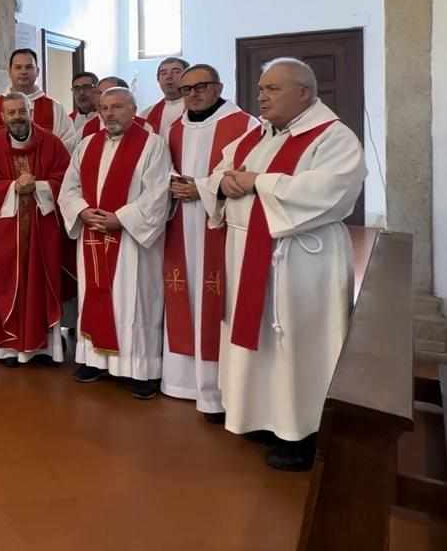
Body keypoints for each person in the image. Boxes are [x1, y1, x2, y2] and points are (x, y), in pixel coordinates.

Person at [197, 58, 365, 471]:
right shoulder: (257, 135)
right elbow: (219, 173)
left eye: (273, 88)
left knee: (298, 345)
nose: (262, 96)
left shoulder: (333, 137)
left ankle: (301, 432)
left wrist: (258, 182)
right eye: (261, 88)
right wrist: (223, 183)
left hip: (300, 263)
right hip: (247, 253)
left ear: (304, 93)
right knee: (259, 341)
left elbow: (330, 191)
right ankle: (260, 415)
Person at [59, 86, 171, 398]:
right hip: (93, 234)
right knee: (94, 296)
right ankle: (94, 360)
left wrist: (120, 218)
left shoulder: (152, 145)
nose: (109, 113)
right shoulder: (87, 145)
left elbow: (158, 193)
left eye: (117, 107)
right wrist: (82, 211)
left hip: (132, 241)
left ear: (133, 109)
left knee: (135, 302)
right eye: (104, 108)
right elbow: (69, 187)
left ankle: (140, 370)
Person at [160, 64, 256, 420]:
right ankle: (181, 382)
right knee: (182, 295)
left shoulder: (244, 125)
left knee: (218, 300)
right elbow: (161, 168)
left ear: (218, 87)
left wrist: (199, 189)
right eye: (187, 89)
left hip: (220, 226)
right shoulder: (174, 128)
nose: (193, 94)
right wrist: (173, 184)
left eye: (201, 87)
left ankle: (218, 392)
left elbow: (244, 175)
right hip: (179, 226)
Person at [0, 92, 70, 366]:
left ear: (31, 112)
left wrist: (39, 186)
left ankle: (44, 349)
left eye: (21, 111)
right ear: (2, 117)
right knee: (7, 286)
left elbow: (67, 180)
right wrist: (13, 187)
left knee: (42, 286)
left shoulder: (52, 144)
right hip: (7, 235)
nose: (17, 117)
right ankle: (8, 347)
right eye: (11, 112)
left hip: (43, 231)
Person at [0, 48, 77, 159]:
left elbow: (69, 144)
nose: (23, 72)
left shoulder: (55, 109)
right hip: (3, 169)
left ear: (37, 71)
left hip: (45, 170)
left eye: (29, 67)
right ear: (9, 71)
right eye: (18, 67)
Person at [141, 57, 189, 137]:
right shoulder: (146, 114)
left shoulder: (198, 109)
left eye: (176, 72)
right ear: (158, 80)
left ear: (188, 77)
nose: (169, 77)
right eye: (163, 73)